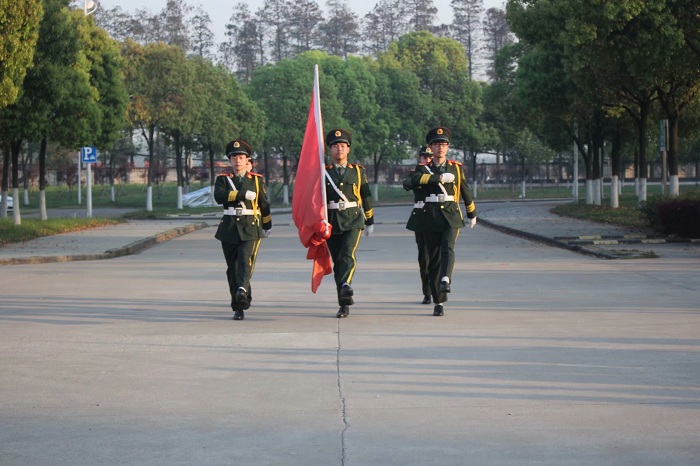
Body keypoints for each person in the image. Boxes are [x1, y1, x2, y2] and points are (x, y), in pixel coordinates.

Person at [406, 127, 477, 316]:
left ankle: (446, 279)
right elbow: (410, 182)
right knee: (433, 259)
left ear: (448, 147)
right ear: (431, 147)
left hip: (451, 214)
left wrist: (471, 212)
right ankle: (438, 301)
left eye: (444, 144)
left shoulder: (456, 168)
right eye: (437, 144)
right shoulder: (423, 169)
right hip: (430, 216)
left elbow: (465, 190)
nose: (440, 147)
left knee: (448, 247)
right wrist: (437, 178)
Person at [214, 139, 272, 320]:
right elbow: (219, 197)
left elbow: (264, 204)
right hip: (229, 227)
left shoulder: (256, 180)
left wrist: (267, 224)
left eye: (241, 157)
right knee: (232, 268)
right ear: (230, 161)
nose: (237, 161)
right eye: (234, 158)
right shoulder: (223, 180)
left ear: (247, 160)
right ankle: (238, 305)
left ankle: (241, 290)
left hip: (250, 227)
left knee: (245, 262)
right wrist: (241, 194)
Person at [324, 128, 374, 318]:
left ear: (348, 149)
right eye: (335, 146)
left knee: (347, 254)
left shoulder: (358, 172)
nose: (339, 149)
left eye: (343, 146)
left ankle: (346, 284)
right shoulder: (324, 172)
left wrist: (370, 219)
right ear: (330, 150)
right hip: (331, 221)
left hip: (353, 219)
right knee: (338, 262)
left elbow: (365, 196)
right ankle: (343, 303)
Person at [403, 146, 434, 305]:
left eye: (430, 157)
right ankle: (427, 292)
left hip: (436, 216)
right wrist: (420, 174)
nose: (427, 160)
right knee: (424, 257)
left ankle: (437, 288)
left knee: (437, 256)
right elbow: (407, 184)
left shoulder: (438, 173)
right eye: (424, 157)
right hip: (421, 218)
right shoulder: (415, 173)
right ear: (420, 158)